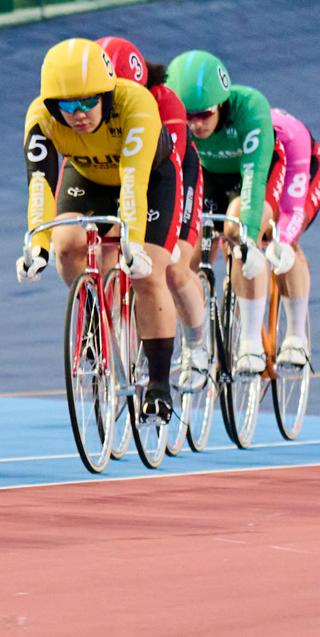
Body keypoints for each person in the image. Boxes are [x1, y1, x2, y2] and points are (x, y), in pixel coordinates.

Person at [16, 39, 179, 422]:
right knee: (66, 245)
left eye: (90, 102)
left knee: (148, 273)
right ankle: (93, 314)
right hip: (87, 174)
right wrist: (37, 244)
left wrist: (132, 243)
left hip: (148, 179)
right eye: (68, 106)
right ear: (53, 105)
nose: (80, 114)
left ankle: (158, 385)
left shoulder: (136, 104)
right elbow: (39, 184)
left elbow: (133, 182)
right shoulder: (40, 117)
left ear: (107, 93)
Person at [166, 51, 320, 373]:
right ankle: (194, 347)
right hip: (214, 173)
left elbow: (254, 182)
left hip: (284, 165)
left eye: (204, 114)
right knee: (185, 258)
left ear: (222, 104)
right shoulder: (176, 119)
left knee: (261, 235)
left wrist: (256, 238)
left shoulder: (251, 111)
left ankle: (281, 338)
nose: (195, 124)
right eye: (188, 115)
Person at [97, 37, 210, 390]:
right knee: (104, 248)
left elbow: (166, 174)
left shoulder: (165, 103)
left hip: (169, 173)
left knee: (173, 269)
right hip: (120, 172)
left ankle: (198, 348)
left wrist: (160, 234)